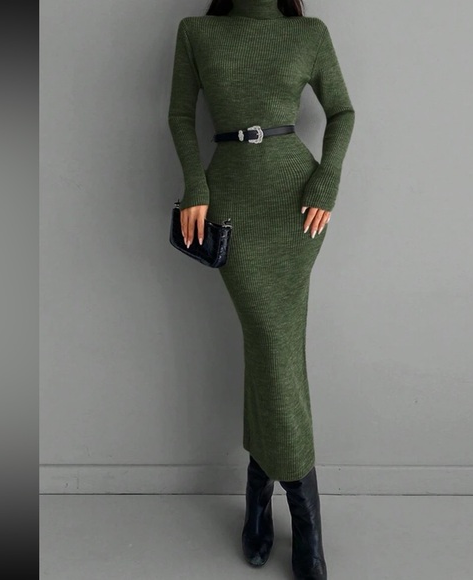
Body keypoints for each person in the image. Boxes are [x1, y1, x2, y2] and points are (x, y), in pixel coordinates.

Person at [168, 1, 355, 578]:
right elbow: (179, 115)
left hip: (295, 206)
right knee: (272, 349)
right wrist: (195, 187)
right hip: (229, 204)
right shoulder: (197, 32)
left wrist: (325, 181)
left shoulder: (309, 33)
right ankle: (296, 510)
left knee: (271, 350)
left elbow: (343, 112)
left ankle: (270, 501)